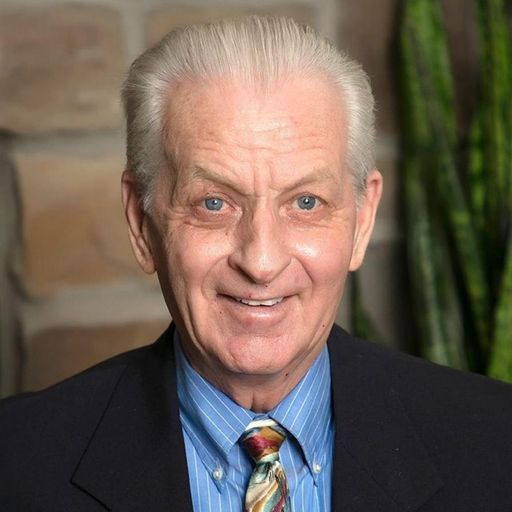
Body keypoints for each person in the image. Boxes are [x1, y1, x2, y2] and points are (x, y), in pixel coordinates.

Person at [1, 15, 512, 512]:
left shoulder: (496, 443)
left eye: (306, 202)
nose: (261, 261)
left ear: (361, 220)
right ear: (141, 222)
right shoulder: (17, 464)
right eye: (214, 203)